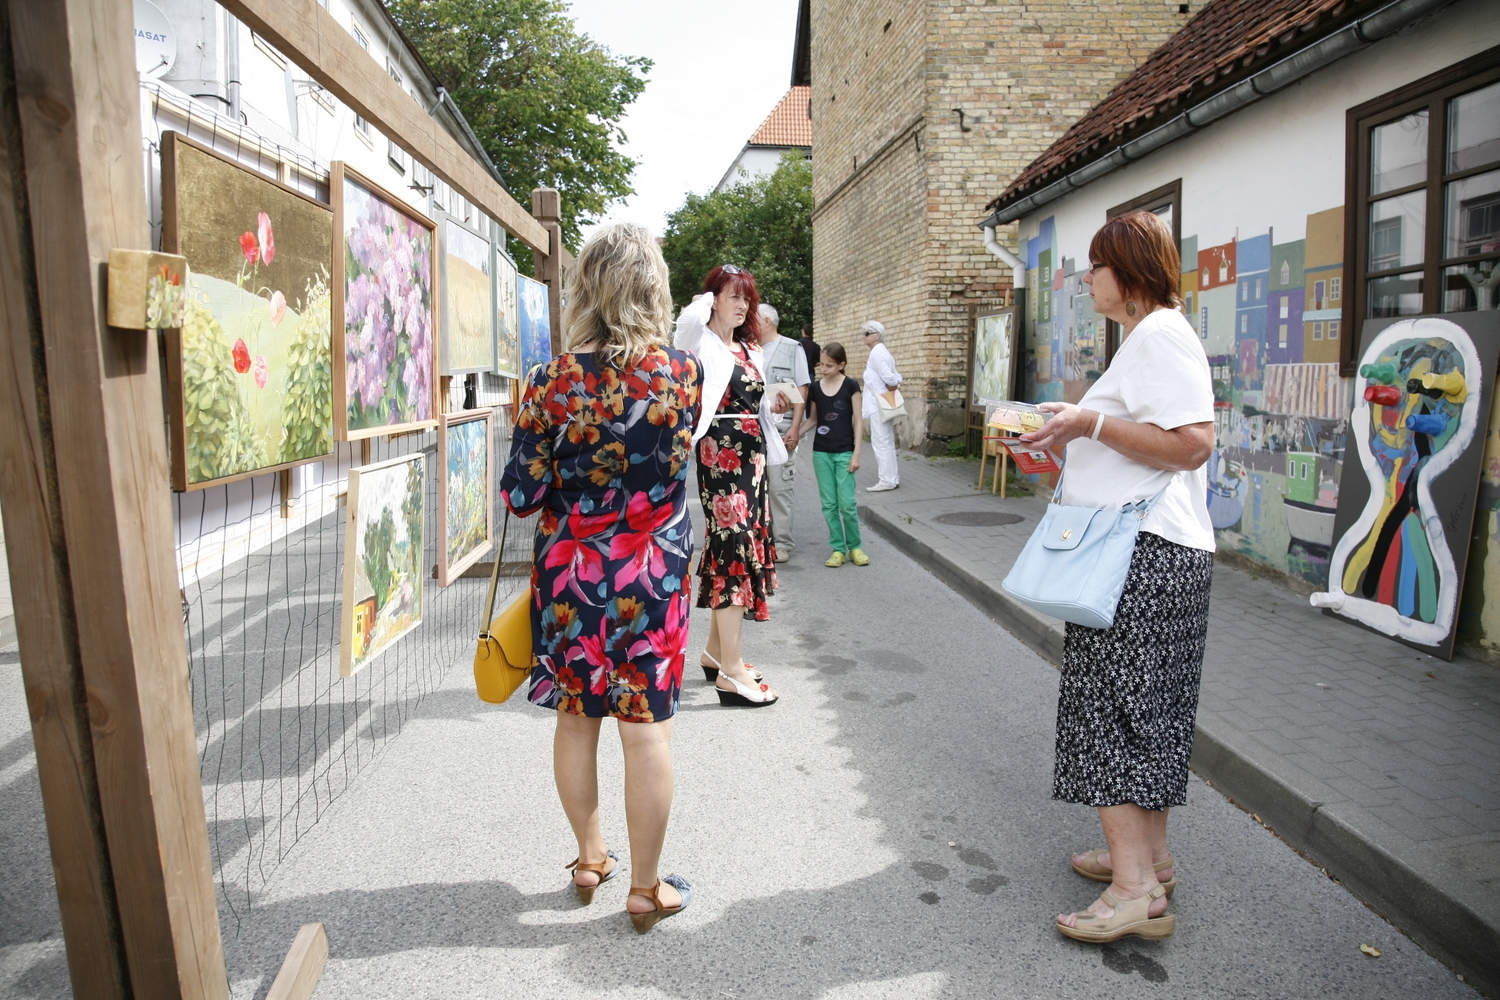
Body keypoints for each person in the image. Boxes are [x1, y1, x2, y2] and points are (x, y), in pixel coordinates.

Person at [1016, 210, 1215, 945]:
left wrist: (1087, 424)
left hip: (1143, 556)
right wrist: (1061, 441)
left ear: (1127, 274)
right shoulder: (1151, 336)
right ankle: (1148, 859)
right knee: (1146, 715)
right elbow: (1143, 446)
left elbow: (1191, 444)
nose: (1086, 277)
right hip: (1158, 551)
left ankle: (1133, 891)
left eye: (1096, 266)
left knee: (1111, 716)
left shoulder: (1158, 335)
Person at [501, 222, 700, 933]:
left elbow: (521, 495)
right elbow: (674, 469)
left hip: (572, 581)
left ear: (585, 288)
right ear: (654, 287)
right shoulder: (683, 374)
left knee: (577, 720)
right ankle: (646, 889)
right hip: (652, 582)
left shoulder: (547, 383)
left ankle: (590, 858)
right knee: (646, 732)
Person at [674, 265, 788, 708]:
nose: (742, 305)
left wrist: (773, 407)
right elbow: (682, 326)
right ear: (714, 298)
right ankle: (731, 671)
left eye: (747, 299)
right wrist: (707, 299)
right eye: (733, 296)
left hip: (752, 454)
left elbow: (756, 408)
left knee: (744, 541)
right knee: (732, 545)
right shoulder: (698, 339)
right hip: (718, 452)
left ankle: (716, 653)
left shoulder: (749, 348)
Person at [806, 342, 867, 567]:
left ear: (842, 365)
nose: (824, 369)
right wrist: (793, 435)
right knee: (829, 504)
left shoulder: (851, 385)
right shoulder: (815, 388)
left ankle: (856, 547)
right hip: (821, 452)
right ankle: (838, 548)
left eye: (829, 365)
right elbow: (812, 420)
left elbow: (858, 421)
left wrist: (857, 453)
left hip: (845, 451)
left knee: (848, 504)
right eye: (821, 364)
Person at [758, 303, 811, 561]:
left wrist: (795, 428)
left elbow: (802, 390)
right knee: (757, 490)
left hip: (781, 431)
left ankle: (782, 544)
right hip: (754, 431)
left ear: (767, 321)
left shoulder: (792, 348)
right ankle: (761, 540)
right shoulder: (749, 349)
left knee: (780, 489)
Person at [861, 320, 903, 491]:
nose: (864, 337)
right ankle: (892, 478)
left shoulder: (877, 353)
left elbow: (890, 377)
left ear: (877, 335)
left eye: (867, 333)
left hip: (879, 401)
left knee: (880, 441)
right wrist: (896, 382)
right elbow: (896, 376)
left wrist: (894, 382)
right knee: (887, 440)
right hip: (885, 400)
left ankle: (886, 480)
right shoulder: (883, 352)